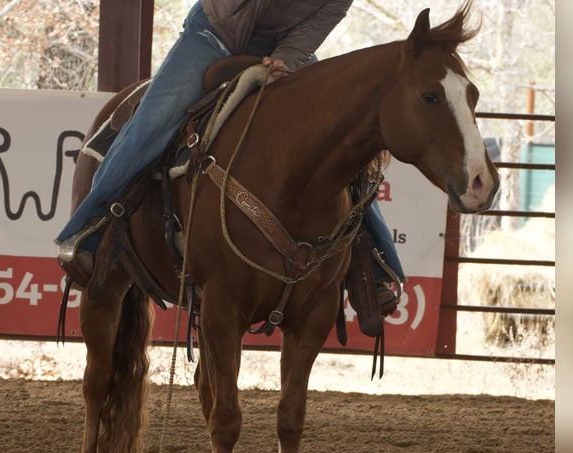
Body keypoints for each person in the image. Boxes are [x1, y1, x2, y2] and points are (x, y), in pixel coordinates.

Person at [56, 0, 404, 310]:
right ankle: (89, 229)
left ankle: (374, 266)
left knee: (335, 139)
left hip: (282, 47)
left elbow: (318, 22)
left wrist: (286, 58)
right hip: (213, 35)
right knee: (151, 124)